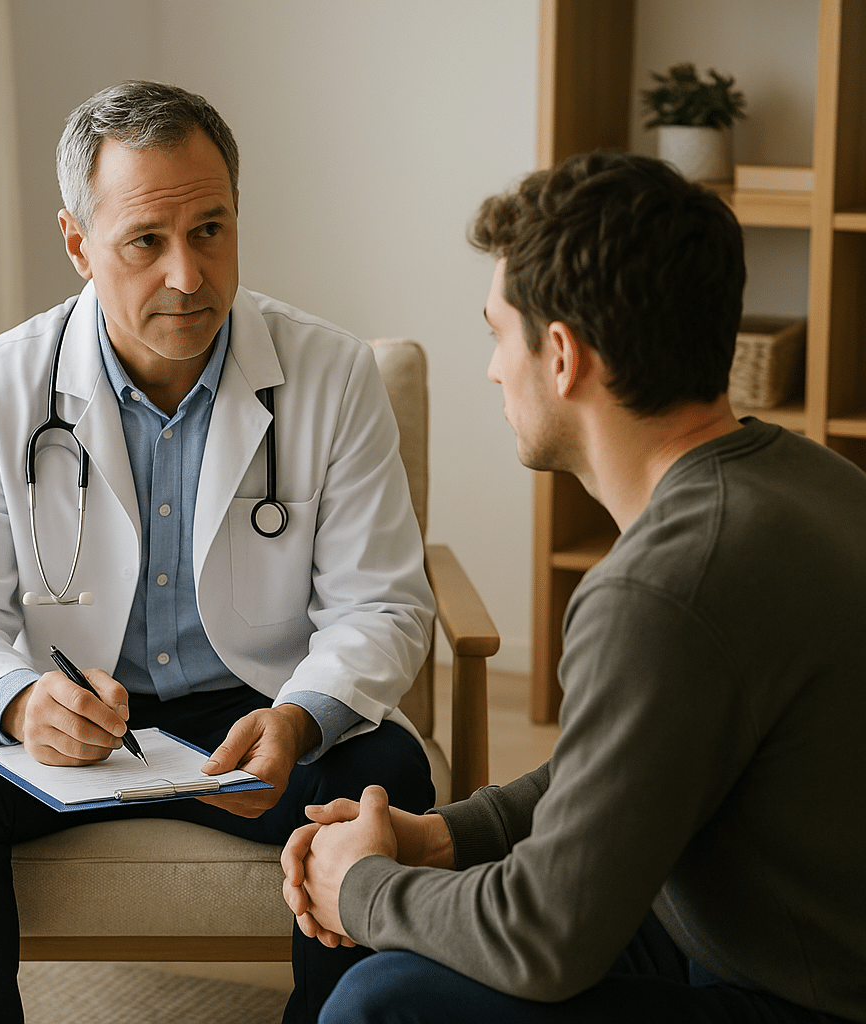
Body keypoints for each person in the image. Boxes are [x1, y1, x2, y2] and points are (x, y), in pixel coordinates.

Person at [0, 80, 436, 1024]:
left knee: (385, 773)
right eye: (146, 241)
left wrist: (301, 716)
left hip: (257, 719)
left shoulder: (331, 374)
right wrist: (18, 705)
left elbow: (382, 604)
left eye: (210, 229)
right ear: (77, 243)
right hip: (74, 724)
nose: (188, 273)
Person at [281, 151, 866, 1024]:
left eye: (495, 333)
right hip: (771, 934)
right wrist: (445, 837)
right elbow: (628, 760)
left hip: (800, 998)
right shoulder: (816, 481)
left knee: (382, 1002)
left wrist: (361, 889)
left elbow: (543, 938)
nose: (490, 370)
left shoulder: (660, 589)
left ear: (561, 355)